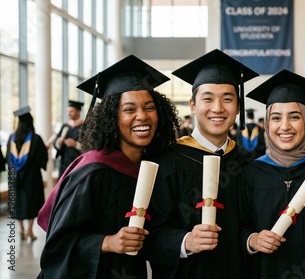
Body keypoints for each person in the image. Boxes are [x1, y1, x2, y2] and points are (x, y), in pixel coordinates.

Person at [37, 54, 180, 279]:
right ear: (111, 118)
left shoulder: (150, 169)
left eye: (149, 107)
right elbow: (58, 245)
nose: (142, 116)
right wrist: (106, 242)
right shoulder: (95, 171)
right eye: (129, 109)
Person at [143, 49, 259, 278]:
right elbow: (150, 232)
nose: (218, 108)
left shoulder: (248, 163)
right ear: (193, 105)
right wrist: (185, 241)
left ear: (237, 107)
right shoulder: (168, 161)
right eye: (208, 99)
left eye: (227, 99)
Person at [240, 69, 305, 278]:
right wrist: (252, 240)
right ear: (267, 123)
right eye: (276, 118)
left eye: (295, 117)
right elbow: (238, 226)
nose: (284, 126)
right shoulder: (252, 173)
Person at [7, 106, 48, 241]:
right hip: (32, 177)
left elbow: (8, 158)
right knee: (32, 202)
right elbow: (43, 158)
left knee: (17, 201)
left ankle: (21, 229)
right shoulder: (35, 138)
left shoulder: (11, 139)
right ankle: (30, 230)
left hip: (15, 177)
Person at [54, 100, 84, 180]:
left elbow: (90, 146)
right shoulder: (65, 126)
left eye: (71, 111)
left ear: (78, 112)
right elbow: (56, 144)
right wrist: (58, 143)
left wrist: (75, 144)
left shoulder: (84, 127)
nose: (68, 114)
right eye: (67, 111)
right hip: (64, 164)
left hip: (78, 163)